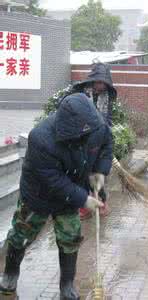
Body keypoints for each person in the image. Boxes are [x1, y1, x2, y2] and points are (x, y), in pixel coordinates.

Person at [0, 94, 112, 299]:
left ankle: (67, 285)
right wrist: (84, 199)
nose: (87, 139)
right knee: (21, 235)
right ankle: (10, 274)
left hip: (71, 194)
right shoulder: (41, 139)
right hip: (38, 195)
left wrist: (99, 171)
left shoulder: (96, 127)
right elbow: (55, 181)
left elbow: (106, 146)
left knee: (70, 238)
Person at [71, 62, 117, 219]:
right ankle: (84, 206)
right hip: (81, 138)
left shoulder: (107, 96)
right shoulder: (81, 93)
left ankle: (102, 201)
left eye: (104, 83)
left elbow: (107, 117)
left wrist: (106, 133)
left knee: (98, 173)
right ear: (92, 80)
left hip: (100, 138)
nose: (101, 86)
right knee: (83, 172)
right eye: (98, 82)